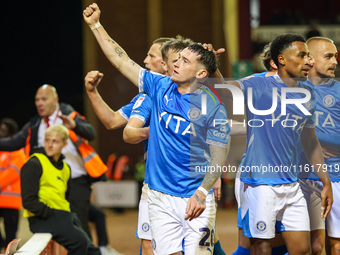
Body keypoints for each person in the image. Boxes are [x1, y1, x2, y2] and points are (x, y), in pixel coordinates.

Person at [84, 3, 230, 254]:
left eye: (183, 61)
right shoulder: (159, 85)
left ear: (201, 73)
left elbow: (220, 154)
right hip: (159, 197)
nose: (174, 64)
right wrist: (96, 25)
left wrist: (203, 190)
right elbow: (120, 60)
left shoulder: (213, 106)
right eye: (177, 59)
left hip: (195, 195)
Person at [220, 33, 333, 255]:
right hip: (259, 183)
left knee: (302, 250)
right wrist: (212, 66)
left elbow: (310, 140)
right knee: (260, 248)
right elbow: (223, 91)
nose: (309, 61)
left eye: (309, 56)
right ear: (281, 59)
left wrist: (325, 180)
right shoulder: (258, 83)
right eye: (302, 55)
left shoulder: (307, 92)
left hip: (291, 184)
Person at [85, 36, 173, 255]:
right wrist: (92, 92)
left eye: (151, 56)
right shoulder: (147, 97)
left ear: (165, 63)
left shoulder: (192, 90)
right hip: (158, 183)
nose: (144, 60)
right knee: (150, 244)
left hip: (187, 183)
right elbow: (113, 121)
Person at [0, 85, 101, 242]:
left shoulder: (68, 114)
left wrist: (74, 125)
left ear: (55, 100)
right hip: (51, 185)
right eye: (37, 100)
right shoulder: (34, 124)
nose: (39, 103)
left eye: (44, 99)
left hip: (76, 181)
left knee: (79, 226)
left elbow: (91, 133)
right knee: (55, 230)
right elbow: (14, 142)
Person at [21, 124, 100, 255]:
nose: (50, 145)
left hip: (64, 215)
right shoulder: (34, 164)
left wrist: (66, 214)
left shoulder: (65, 167)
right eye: (47, 140)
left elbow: (66, 197)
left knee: (93, 251)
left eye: (55, 141)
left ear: (64, 144)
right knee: (80, 242)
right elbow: (28, 201)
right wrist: (50, 213)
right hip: (42, 218)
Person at [298, 37, 340, 255]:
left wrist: (313, 140)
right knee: (301, 244)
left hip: (335, 176)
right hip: (299, 177)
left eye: (335, 56)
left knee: (335, 243)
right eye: (329, 56)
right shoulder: (292, 89)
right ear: (310, 59)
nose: (335, 61)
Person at [0, 118, 26, 251]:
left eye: (3, 130)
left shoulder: (18, 152)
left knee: (11, 236)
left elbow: (13, 172)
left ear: (11, 134)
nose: (0, 133)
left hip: (11, 200)